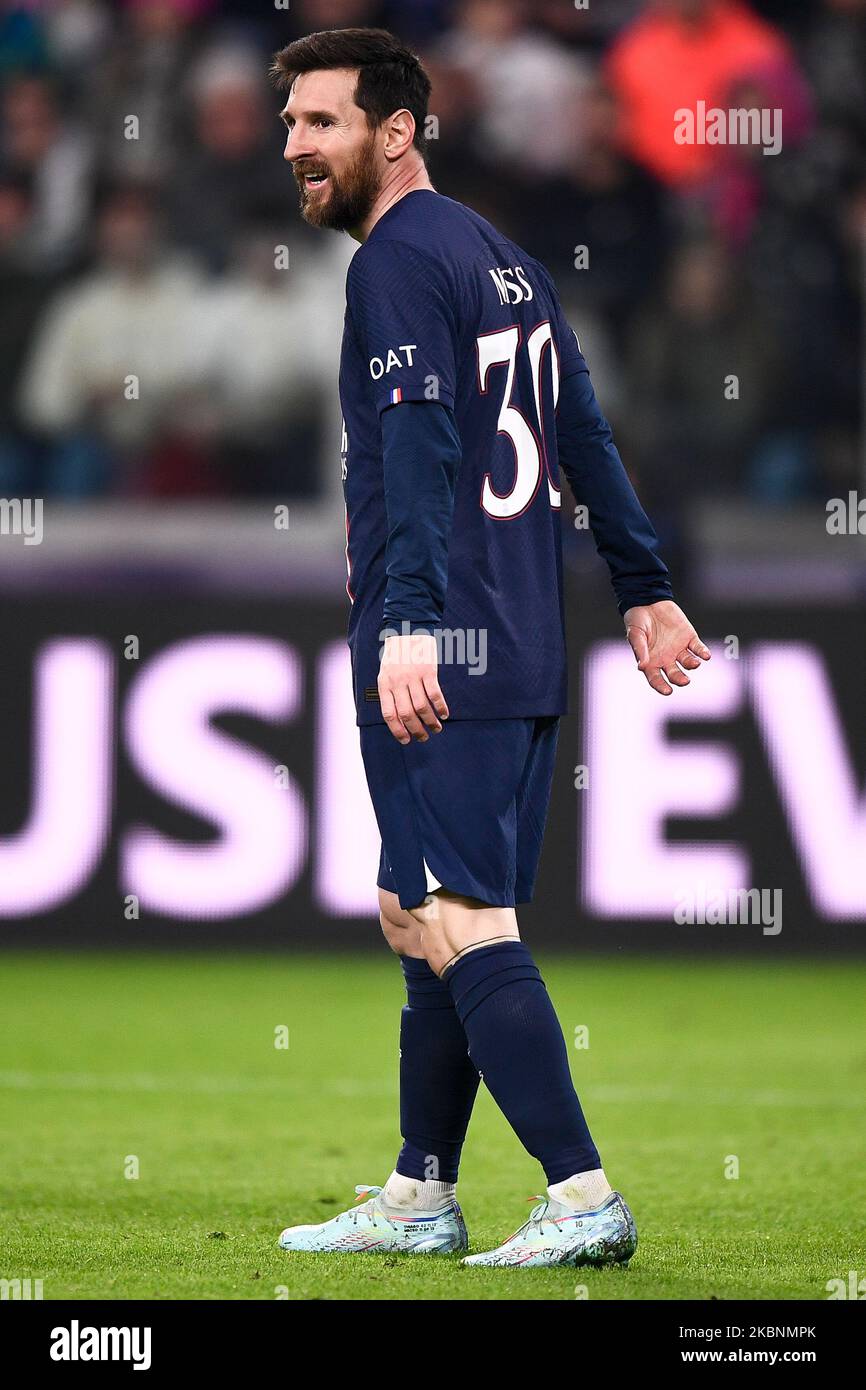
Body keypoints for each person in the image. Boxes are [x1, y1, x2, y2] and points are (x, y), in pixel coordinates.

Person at [272, 26, 710, 1269]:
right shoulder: (505, 260)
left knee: (459, 921)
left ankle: (580, 1195)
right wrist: (642, 583)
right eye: (292, 123)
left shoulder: (397, 265)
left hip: (443, 640)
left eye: (322, 124)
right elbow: (584, 433)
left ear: (394, 129)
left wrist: (407, 618)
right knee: (414, 908)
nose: (295, 147)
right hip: (520, 635)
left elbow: (413, 450)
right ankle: (420, 1190)